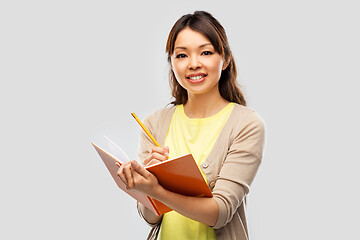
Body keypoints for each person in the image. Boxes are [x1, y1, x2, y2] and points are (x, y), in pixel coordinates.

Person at [117, 11, 266, 240]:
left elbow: (220, 212)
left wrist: (158, 190)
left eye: (205, 52)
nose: (194, 64)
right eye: (182, 55)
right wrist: (144, 188)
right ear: (172, 63)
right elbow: (150, 217)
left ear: (225, 59)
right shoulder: (154, 124)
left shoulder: (246, 124)